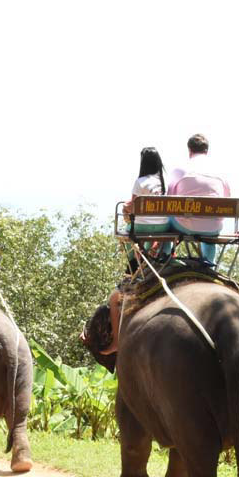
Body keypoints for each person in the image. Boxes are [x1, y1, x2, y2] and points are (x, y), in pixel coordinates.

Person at [106, 148, 170, 353]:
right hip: (163, 228)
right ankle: (162, 256)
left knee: (126, 235)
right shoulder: (166, 181)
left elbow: (133, 207)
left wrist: (126, 208)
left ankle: (134, 265)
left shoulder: (140, 181)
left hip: (142, 228)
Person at [167, 134, 230, 264]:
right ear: (207, 151)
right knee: (211, 225)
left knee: (166, 218)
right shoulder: (221, 171)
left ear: (189, 150)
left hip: (183, 225)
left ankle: (165, 256)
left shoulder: (180, 170)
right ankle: (209, 263)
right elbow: (227, 199)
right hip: (213, 228)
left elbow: (169, 199)